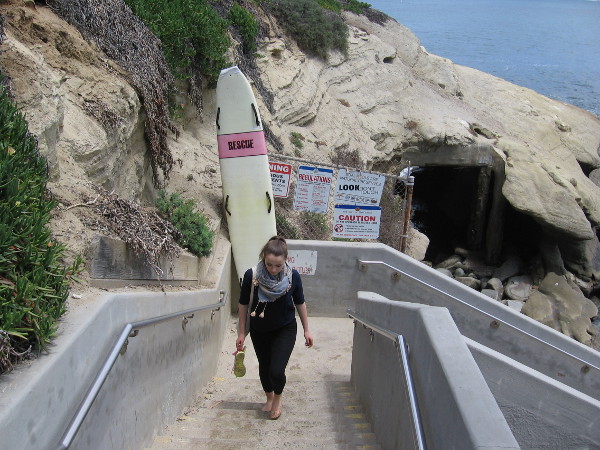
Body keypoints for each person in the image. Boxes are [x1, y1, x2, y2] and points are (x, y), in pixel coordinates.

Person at [236, 236, 314, 420]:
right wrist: (241, 332)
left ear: (285, 260)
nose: (273, 269)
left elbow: (300, 302)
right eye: (269, 264)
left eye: (278, 265)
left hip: (285, 328)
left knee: (276, 370)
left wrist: (307, 329)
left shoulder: (292, 276)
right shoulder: (252, 275)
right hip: (259, 329)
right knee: (264, 366)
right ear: (263, 257)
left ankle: (277, 400)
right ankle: (269, 398)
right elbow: (243, 305)